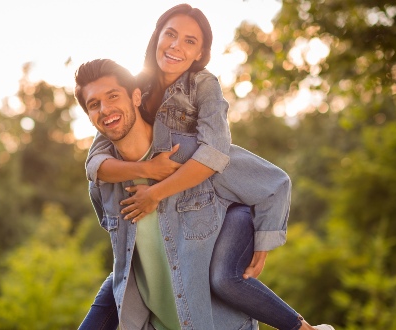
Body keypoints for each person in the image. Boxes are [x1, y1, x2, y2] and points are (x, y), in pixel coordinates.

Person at [75, 59, 334, 330]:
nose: (105, 109)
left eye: (113, 96)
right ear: (89, 116)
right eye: (94, 104)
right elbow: (125, 259)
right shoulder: (103, 183)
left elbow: (274, 183)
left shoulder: (194, 157)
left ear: (136, 96)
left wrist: (262, 244)